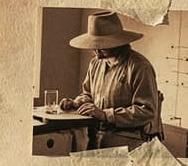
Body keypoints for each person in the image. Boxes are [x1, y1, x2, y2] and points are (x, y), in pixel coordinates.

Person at [58, 11, 162, 149]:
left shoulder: (139, 67)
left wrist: (105, 115)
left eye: (102, 44)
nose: (96, 49)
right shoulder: (96, 63)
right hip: (96, 137)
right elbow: (88, 94)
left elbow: (147, 111)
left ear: (117, 43)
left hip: (128, 141)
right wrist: (77, 103)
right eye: (94, 44)